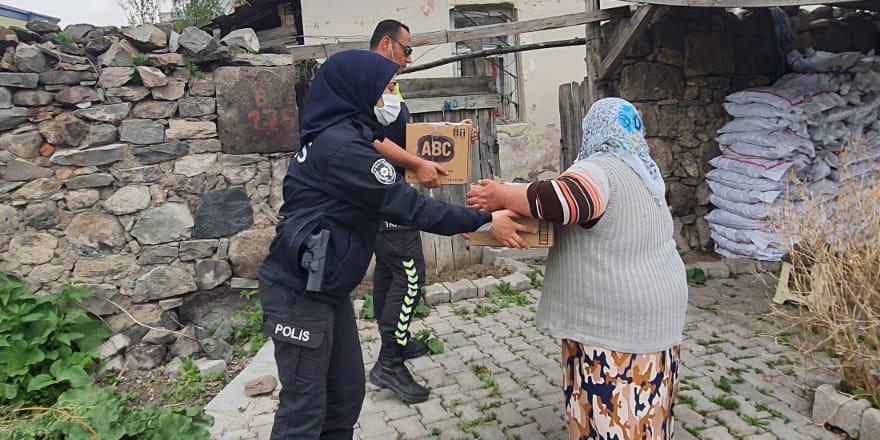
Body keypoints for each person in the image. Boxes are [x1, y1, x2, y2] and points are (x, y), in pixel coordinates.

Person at [258, 49, 530, 440]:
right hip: (298, 294)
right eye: (381, 89)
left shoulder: (343, 135)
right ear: (356, 89)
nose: (386, 98)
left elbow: (384, 167)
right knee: (304, 410)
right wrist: (485, 220)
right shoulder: (342, 148)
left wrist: (424, 160)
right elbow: (409, 207)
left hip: (325, 289)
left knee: (345, 397)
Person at [467, 97, 689, 440]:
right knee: (647, 414)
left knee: (612, 419)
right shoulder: (644, 171)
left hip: (615, 327)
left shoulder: (600, 168)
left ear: (593, 130)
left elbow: (566, 200)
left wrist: (502, 194)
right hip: (657, 315)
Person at [366, 18, 478, 403]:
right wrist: (416, 165)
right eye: (407, 50)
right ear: (387, 45)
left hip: (392, 195)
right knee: (411, 274)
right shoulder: (360, 88)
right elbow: (371, 139)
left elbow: (408, 140)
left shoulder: (392, 91)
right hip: (379, 196)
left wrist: (455, 134)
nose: (410, 59)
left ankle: (395, 342)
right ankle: (390, 364)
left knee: (390, 274)